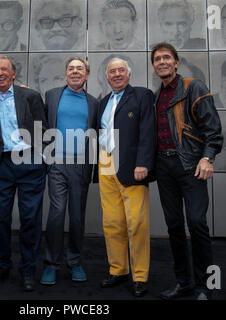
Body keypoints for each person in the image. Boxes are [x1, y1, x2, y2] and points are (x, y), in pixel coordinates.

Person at [151, 43, 223, 300]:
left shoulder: (194, 87)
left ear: (176, 62)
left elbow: (212, 129)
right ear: (153, 65)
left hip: (191, 165)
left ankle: (208, 285)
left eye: (166, 58)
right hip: (164, 167)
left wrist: (208, 157)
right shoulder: (156, 95)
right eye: (157, 59)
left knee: (197, 223)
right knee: (174, 226)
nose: (162, 62)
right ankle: (184, 283)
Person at [0, 55, 47, 292]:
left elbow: (43, 129)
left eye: (4, 69)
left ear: (13, 73)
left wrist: (41, 160)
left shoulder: (30, 96)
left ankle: (28, 270)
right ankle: (0, 267)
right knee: (1, 219)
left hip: (30, 162)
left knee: (30, 219)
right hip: (3, 164)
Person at [97, 57, 155, 297]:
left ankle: (139, 275)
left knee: (137, 223)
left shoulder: (142, 95)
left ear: (129, 74)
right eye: (112, 71)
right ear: (107, 76)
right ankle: (118, 269)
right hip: (106, 163)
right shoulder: (103, 102)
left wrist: (143, 163)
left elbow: (148, 131)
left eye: (121, 70)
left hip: (132, 167)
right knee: (112, 222)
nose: (117, 74)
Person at [39, 57, 98, 285]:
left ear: (86, 75)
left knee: (76, 217)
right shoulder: (52, 95)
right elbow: (41, 122)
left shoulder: (94, 102)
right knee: (56, 213)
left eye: (80, 69)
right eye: (71, 69)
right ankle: (51, 264)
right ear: (65, 74)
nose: (75, 72)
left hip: (81, 165)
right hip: (56, 164)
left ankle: (75, 262)